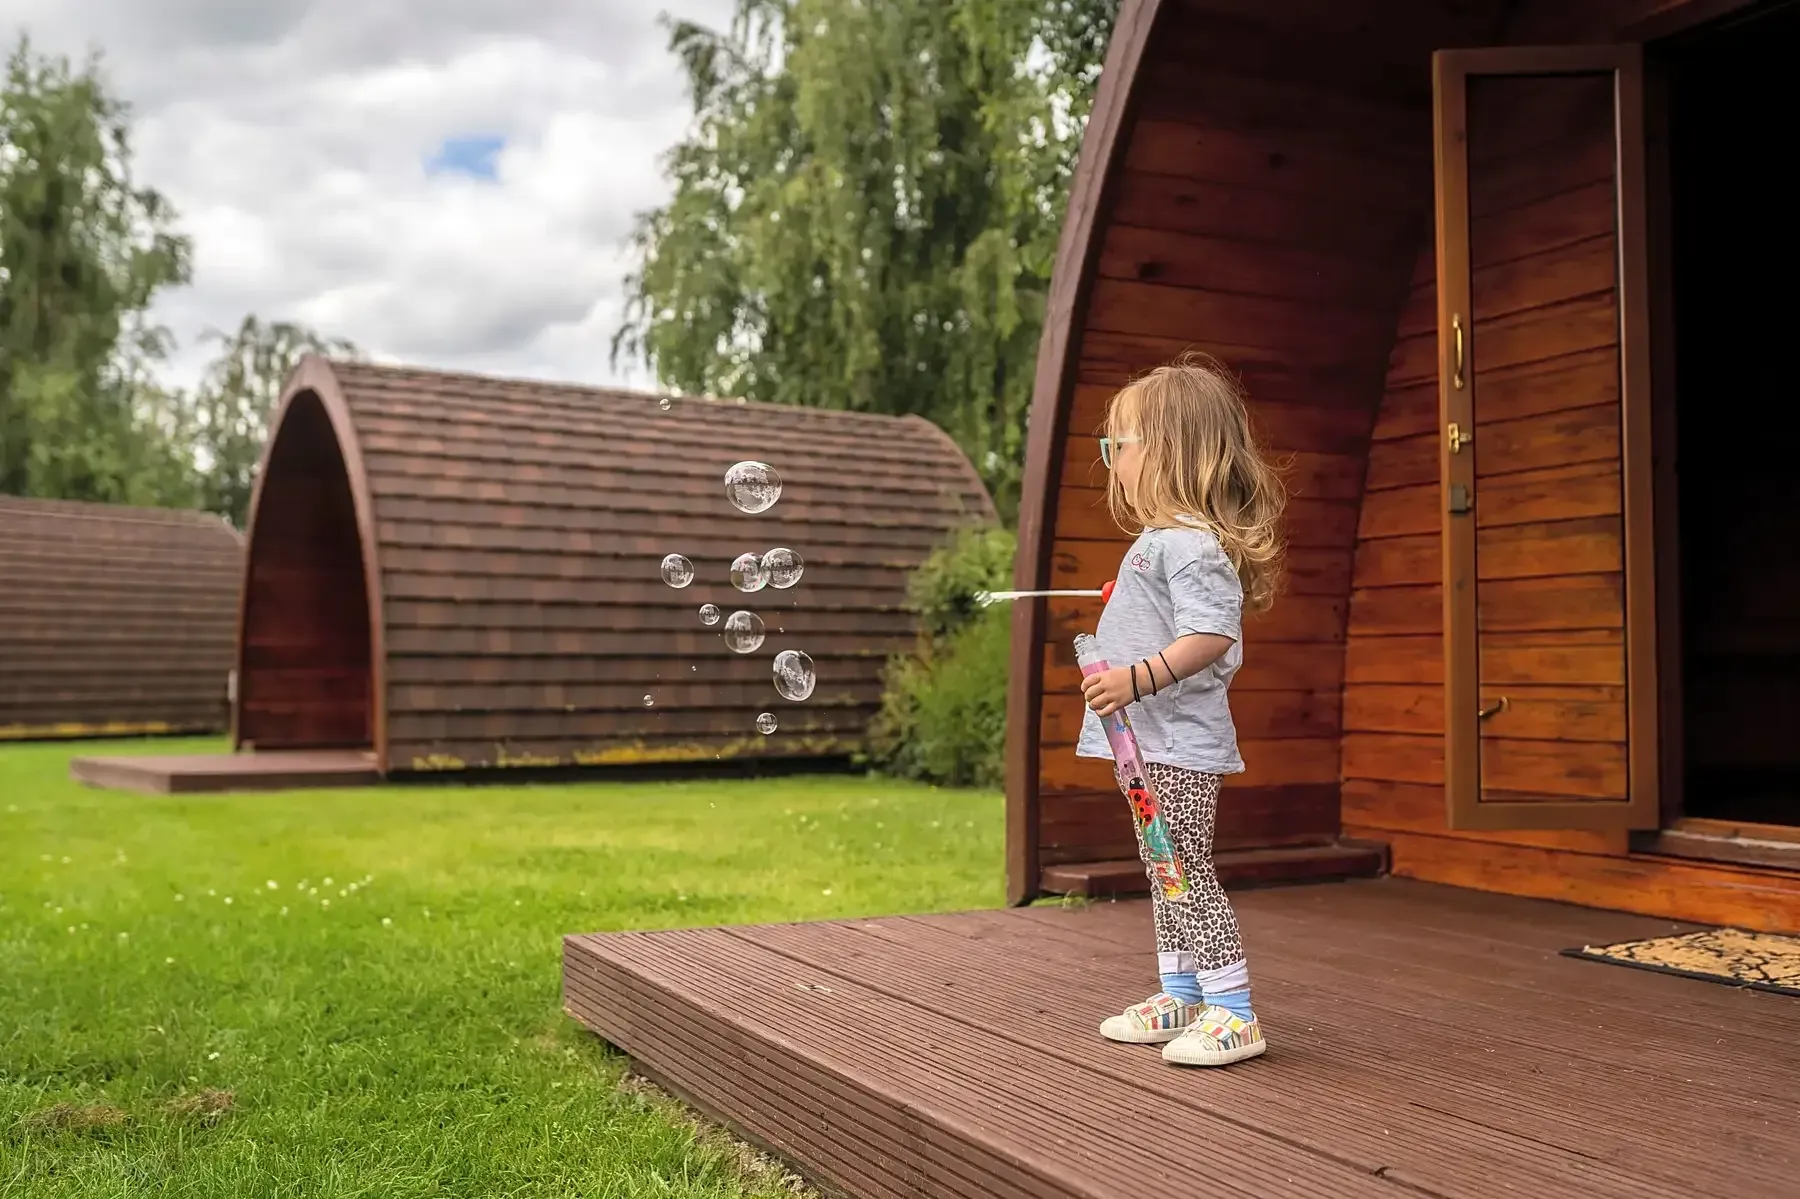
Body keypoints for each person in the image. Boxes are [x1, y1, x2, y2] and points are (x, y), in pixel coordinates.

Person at [1076, 351, 1286, 1068]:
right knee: (1161, 864)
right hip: (1144, 744)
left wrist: (1134, 677)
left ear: (1166, 452)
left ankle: (1232, 1009)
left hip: (1177, 745)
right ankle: (1182, 991)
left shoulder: (1192, 545)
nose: (1111, 460)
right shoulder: (1163, 543)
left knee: (1185, 865)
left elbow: (1211, 636)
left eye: (1118, 445)